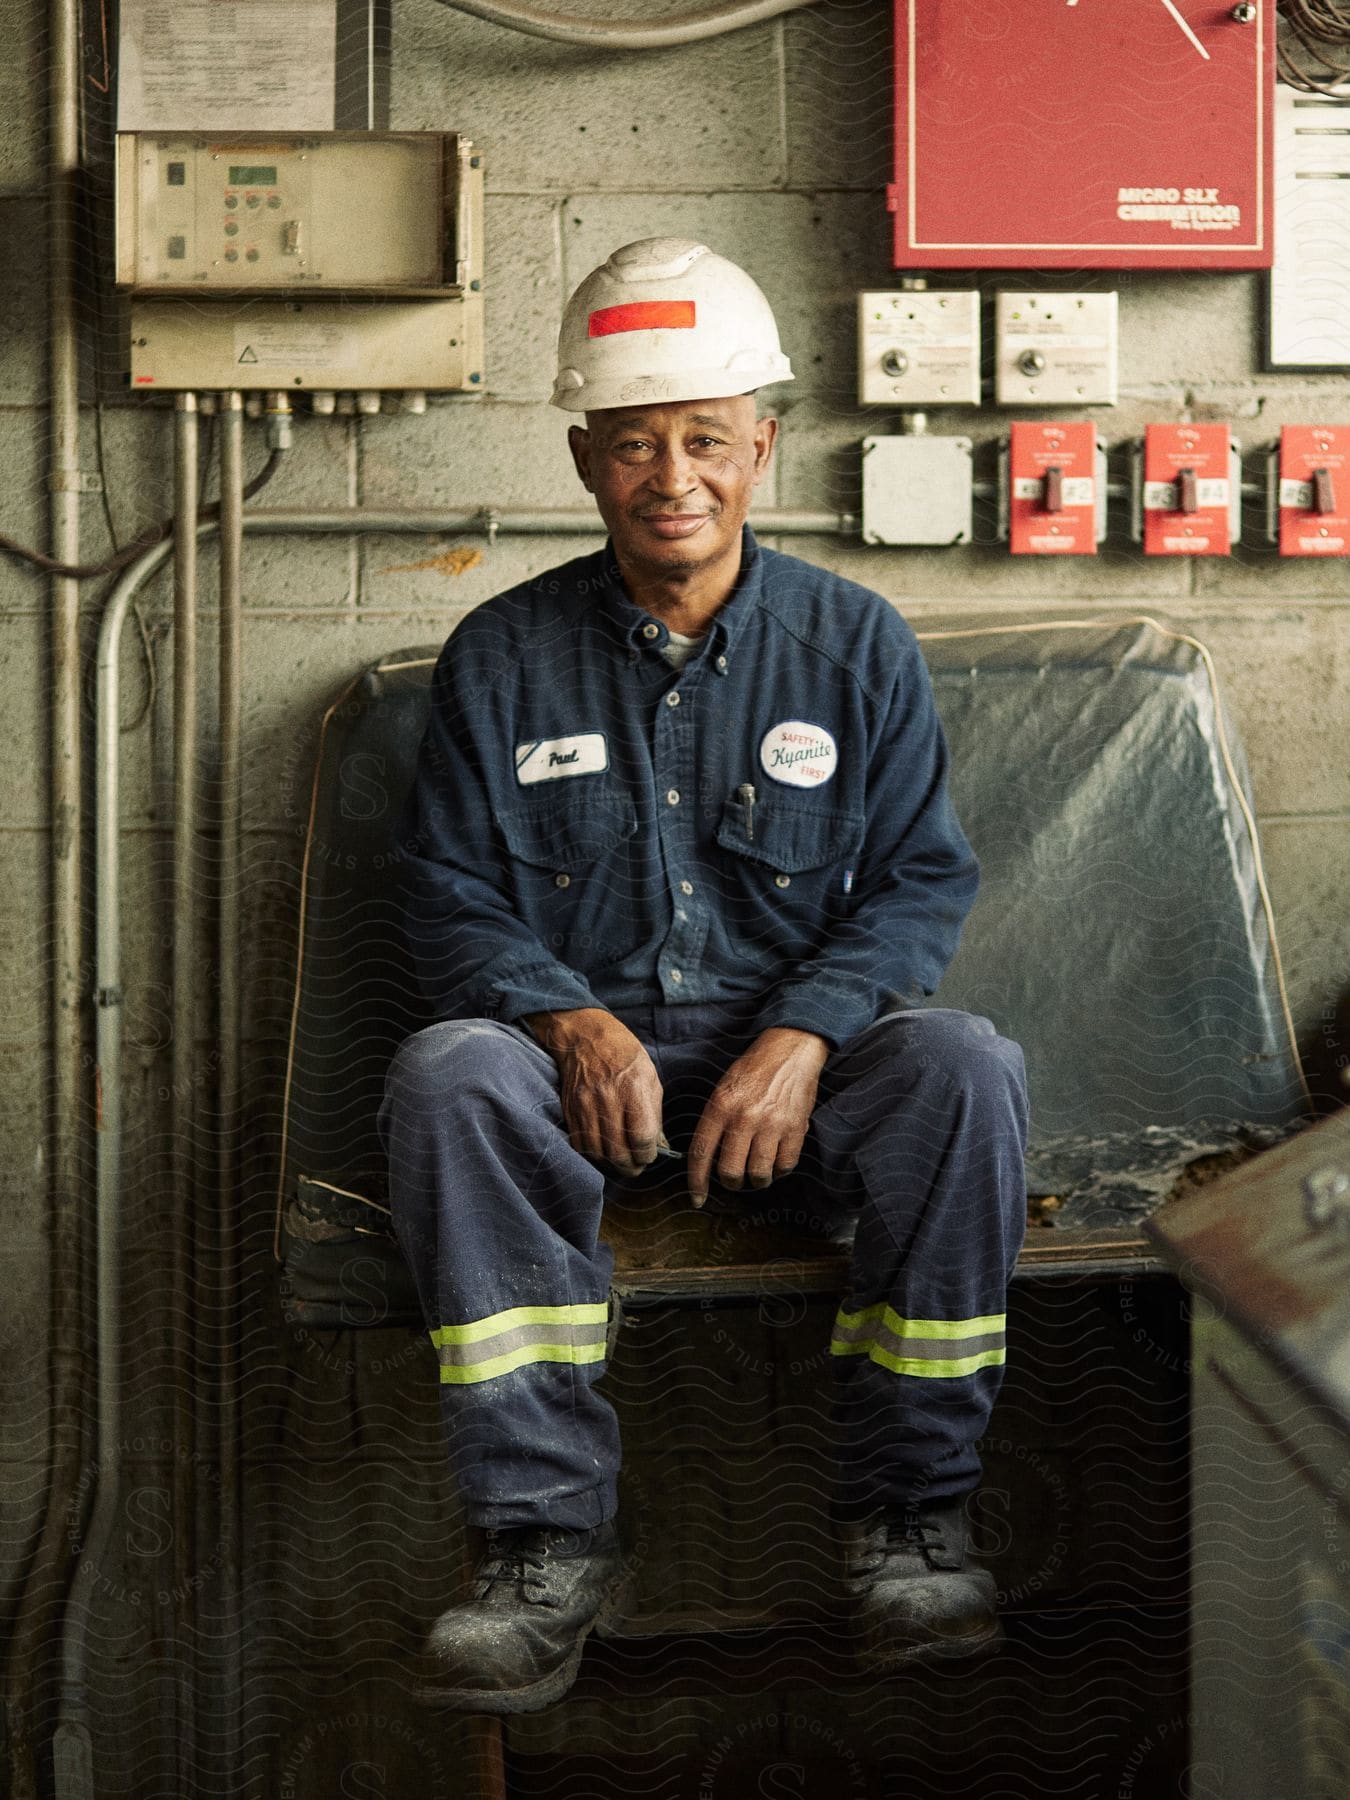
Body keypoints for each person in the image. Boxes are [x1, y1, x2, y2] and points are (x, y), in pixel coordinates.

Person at [379, 237, 1029, 1715]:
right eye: (631, 445)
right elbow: (444, 893)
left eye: (704, 440)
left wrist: (803, 1034)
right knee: (447, 1073)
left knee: (964, 1065)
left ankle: (908, 1520)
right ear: (581, 458)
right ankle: (538, 1547)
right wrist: (570, 1020)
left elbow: (922, 879)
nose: (672, 477)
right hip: (577, 1088)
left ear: (761, 448)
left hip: (803, 1090)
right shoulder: (501, 654)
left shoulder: (853, 644)